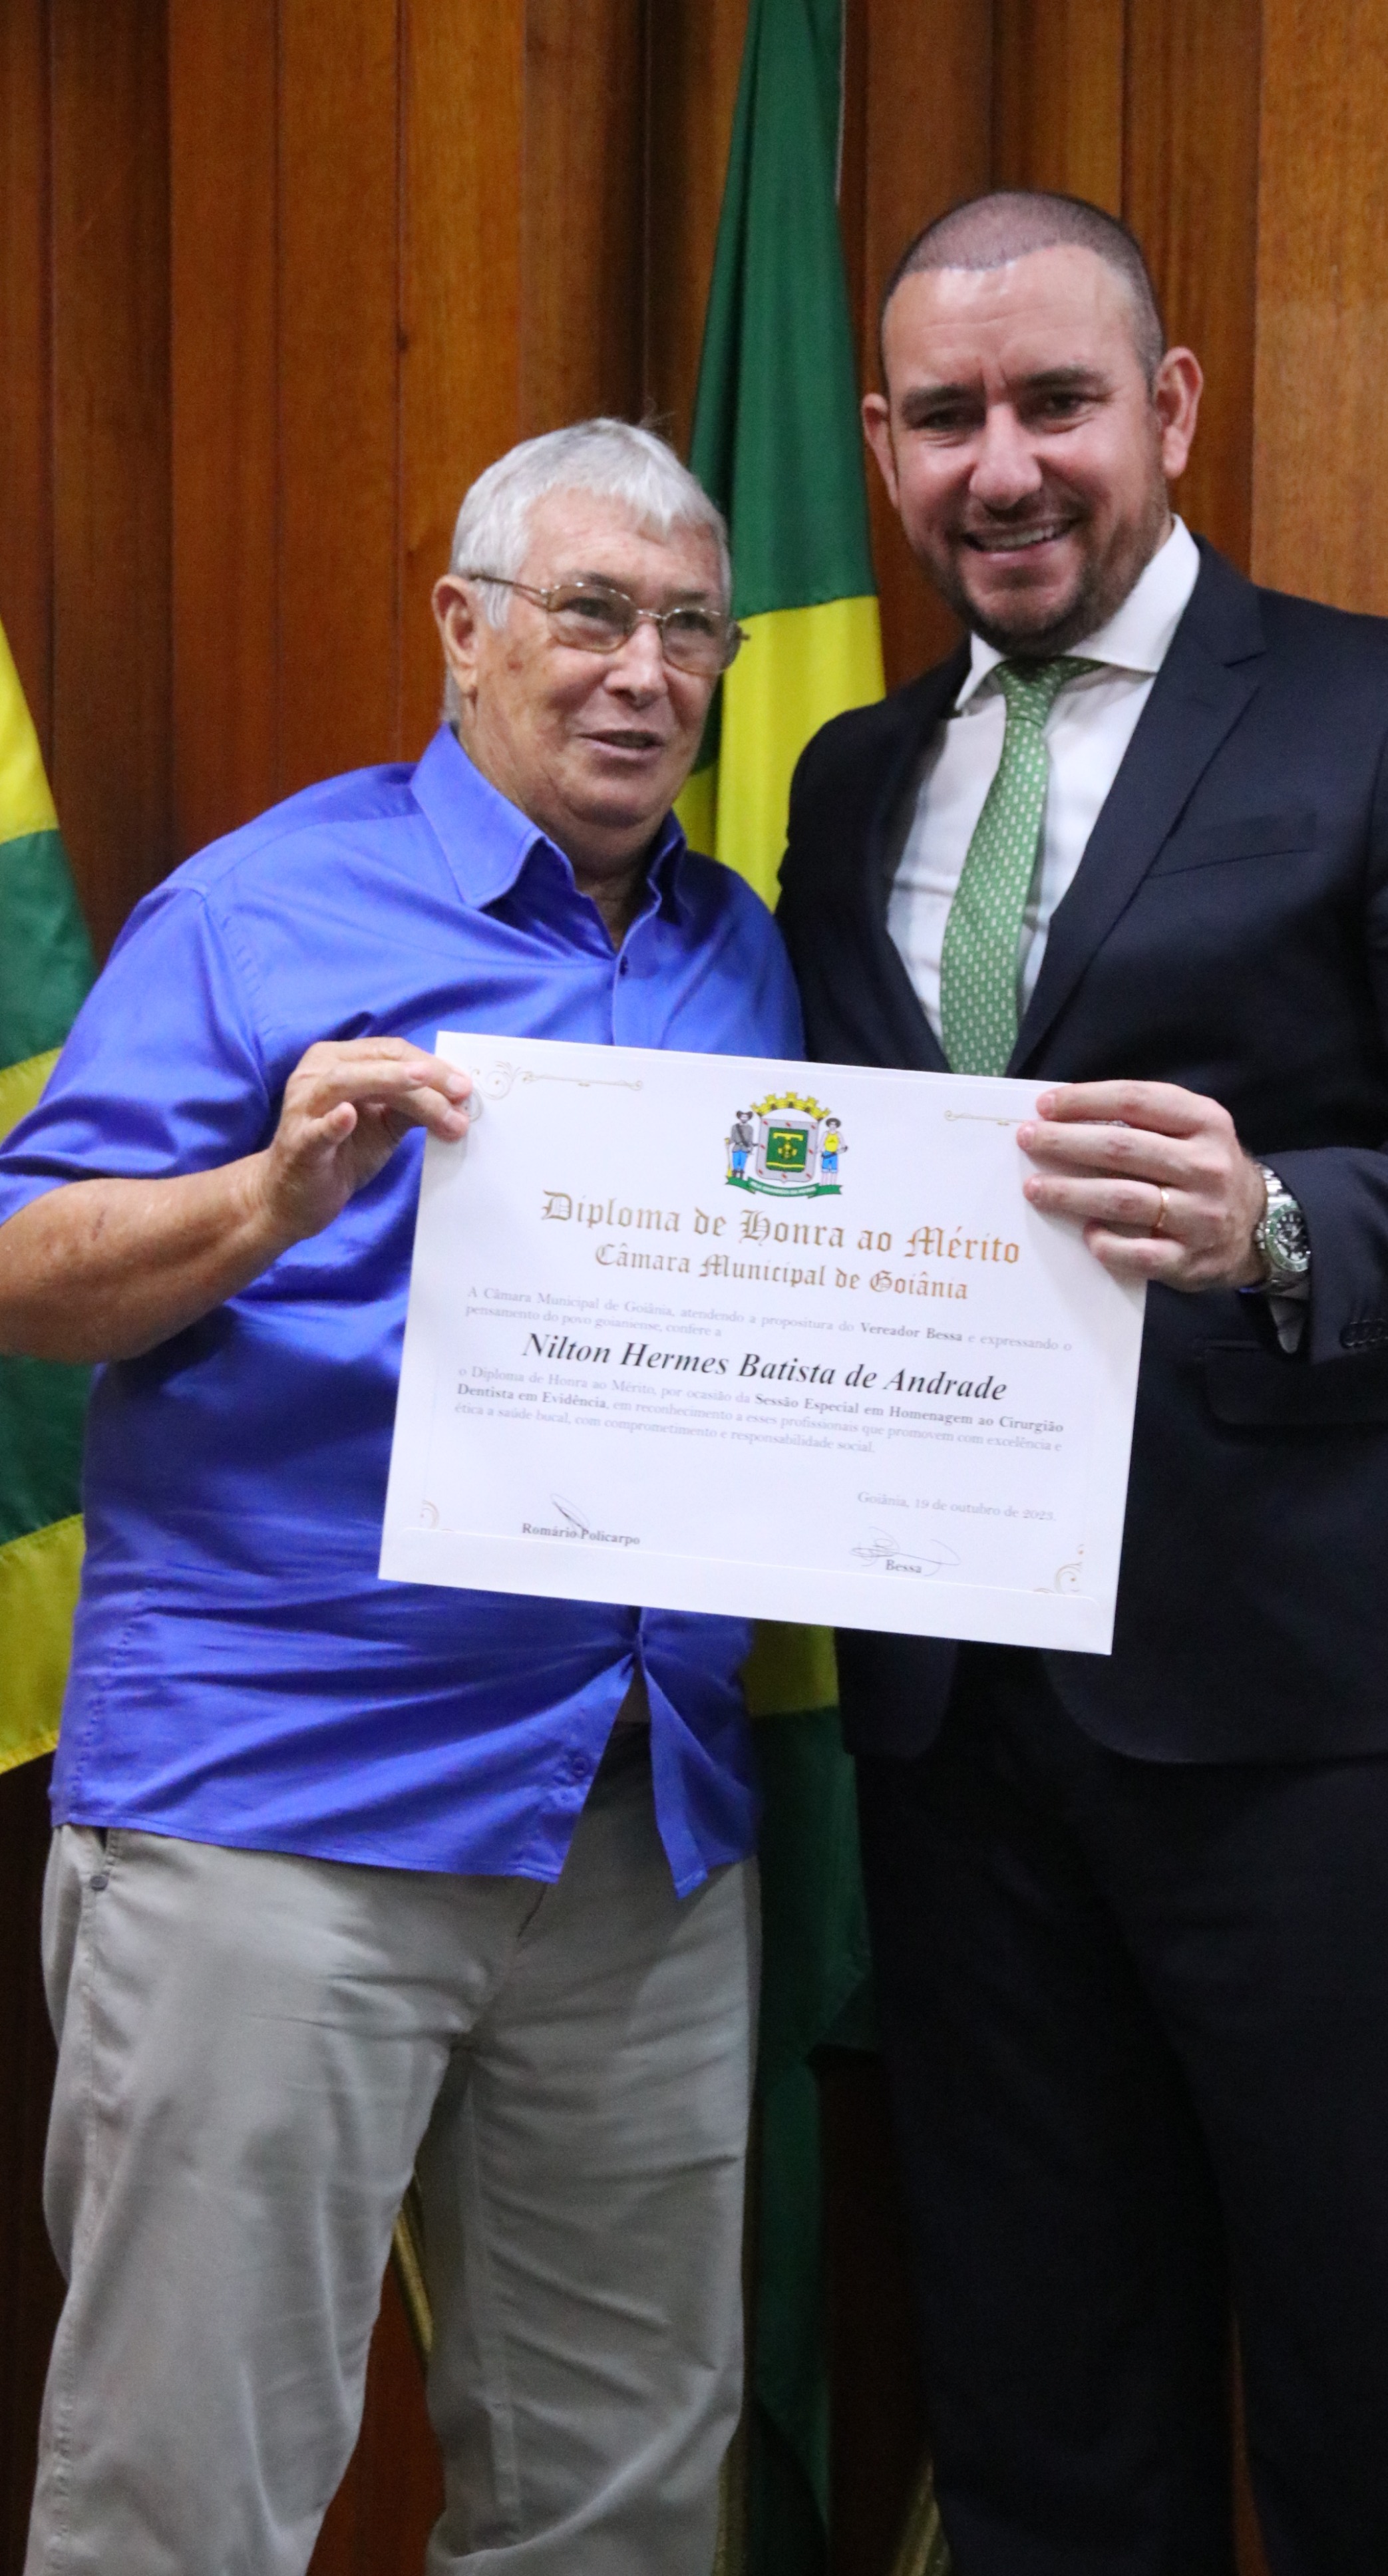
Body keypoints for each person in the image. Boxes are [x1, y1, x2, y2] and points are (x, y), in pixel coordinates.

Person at [775, 191, 1388, 2576]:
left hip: (1317, 1723)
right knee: (1045, 2429)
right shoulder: (844, 777)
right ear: (883, 446)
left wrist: (1279, 1223)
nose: (1003, 466)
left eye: (1057, 402)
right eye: (947, 417)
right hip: (961, 1726)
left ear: (1171, 407)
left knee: (1380, 2423)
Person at [0, 420, 798, 2576]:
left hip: (635, 1818)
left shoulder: (744, 954)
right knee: (186, 2494)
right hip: (286, 1805)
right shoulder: (262, 907)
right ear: (464, 629)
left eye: (690, 630)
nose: (643, 672)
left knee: (625, 2497)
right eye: (590, 613)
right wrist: (266, 1199)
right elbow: (24, 1271)